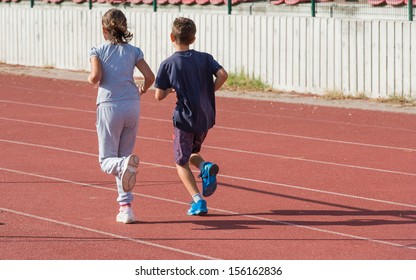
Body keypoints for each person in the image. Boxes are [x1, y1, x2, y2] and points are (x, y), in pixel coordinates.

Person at [154, 17, 228, 216]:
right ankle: (205, 166)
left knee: (180, 162)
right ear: (193, 39)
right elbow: (223, 75)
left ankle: (198, 201)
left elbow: (158, 95)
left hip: (184, 119)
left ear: (171, 37)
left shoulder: (168, 64)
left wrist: (170, 89)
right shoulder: (205, 58)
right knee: (191, 151)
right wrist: (209, 91)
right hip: (205, 118)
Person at [88, 8, 155, 224]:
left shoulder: (97, 50)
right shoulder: (134, 51)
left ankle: (123, 168)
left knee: (108, 160)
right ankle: (126, 209)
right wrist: (143, 89)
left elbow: (96, 76)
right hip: (132, 105)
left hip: (109, 105)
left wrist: (90, 78)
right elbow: (150, 76)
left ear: (104, 29)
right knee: (124, 159)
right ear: (124, 27)